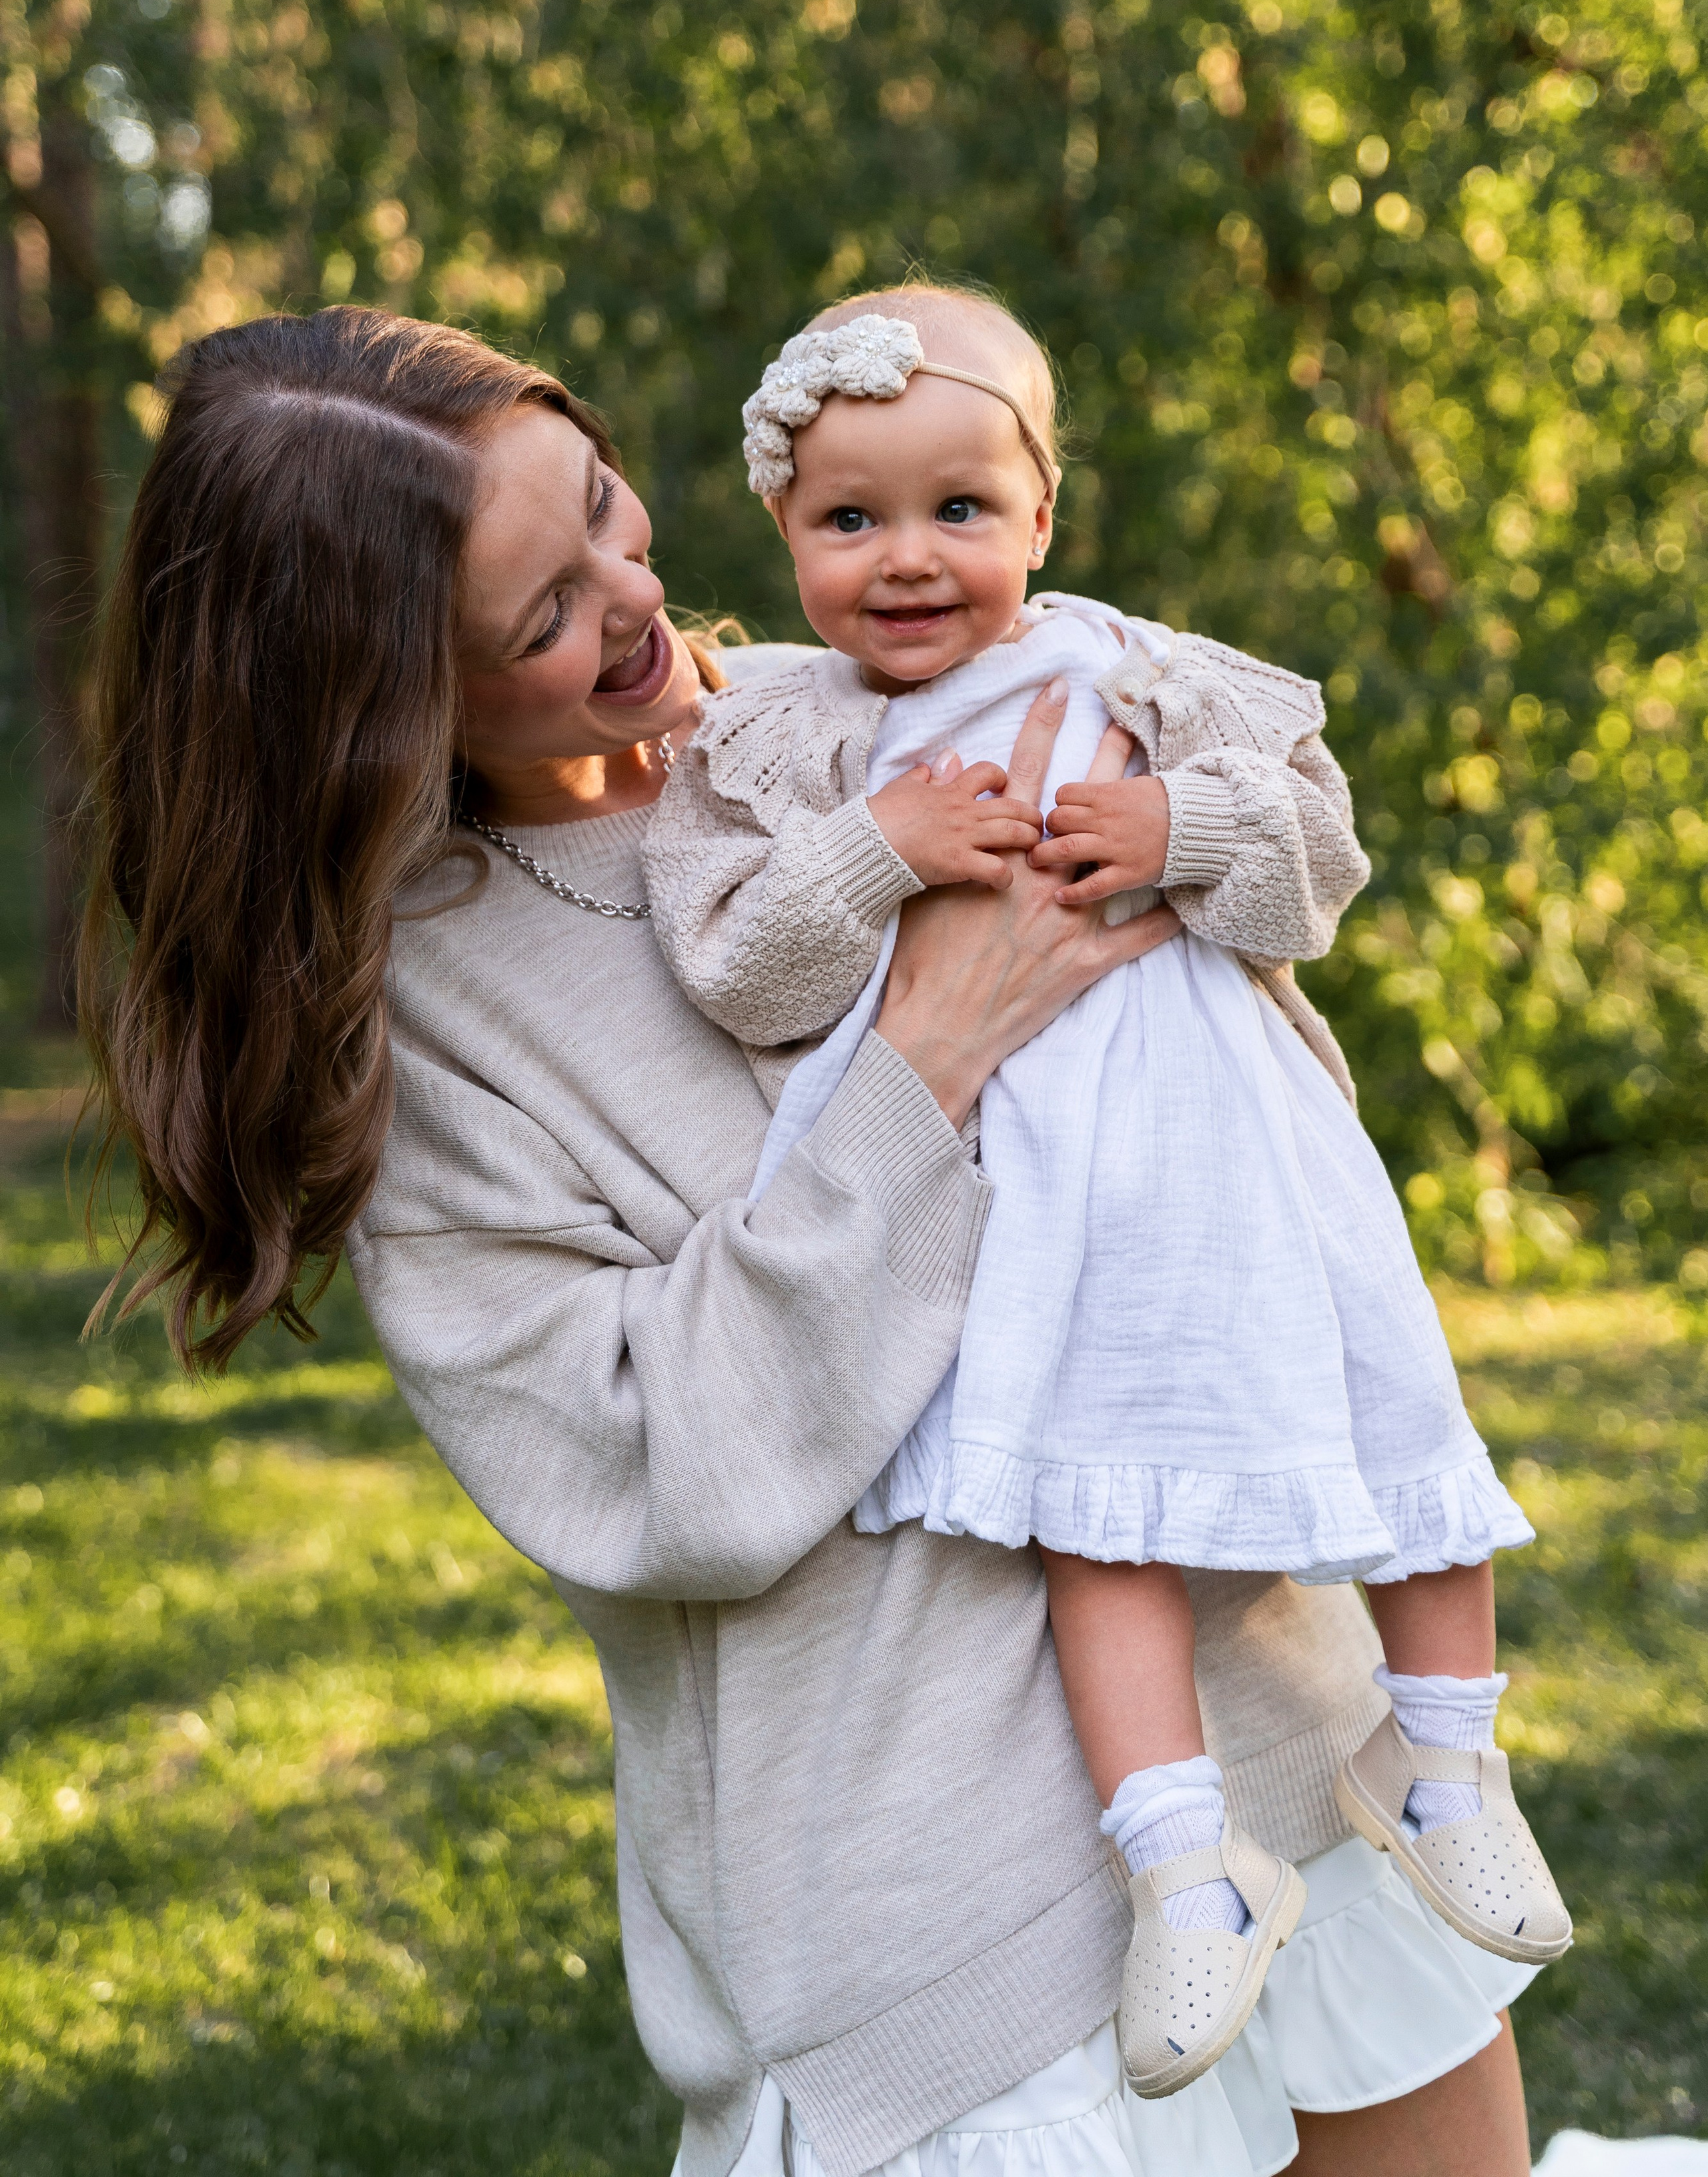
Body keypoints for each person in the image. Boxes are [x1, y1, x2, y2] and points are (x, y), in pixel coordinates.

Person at [82, 304, 1540, 2177]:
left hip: (1279, 1742)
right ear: (381, 708)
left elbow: (1238, 1054)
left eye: (607, 510)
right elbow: (652, 1466)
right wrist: (928, 1054)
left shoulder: (866, 703)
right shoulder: (433, 1023)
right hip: (939, 1932)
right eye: (541, 618)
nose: (635, 603)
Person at [645, 282, 1571, 2094]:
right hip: (1036, 1207)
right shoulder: (786, 750)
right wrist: (875, 852)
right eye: (851, 520)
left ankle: (1448, 1750)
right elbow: (747, 976)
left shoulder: (1150, 671)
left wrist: (1184, 831)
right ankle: (1183, 1872)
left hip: (1245, 1165)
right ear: (784, 530)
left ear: (1042, 515)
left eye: (959, 510)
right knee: (1097, 1521)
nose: (907, 560)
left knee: (1407, 1431)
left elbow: (1315, 867)